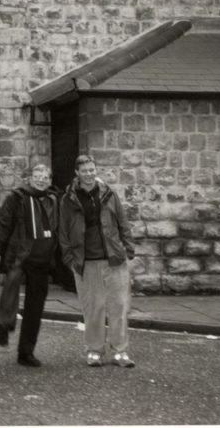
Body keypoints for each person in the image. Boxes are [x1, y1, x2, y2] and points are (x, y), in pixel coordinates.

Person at [58, 155, 136, 368]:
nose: (89, 174)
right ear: (77, 173)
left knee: (119, 307)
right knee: (93, 308)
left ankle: (120, 351)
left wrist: (128, 247)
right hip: (86, 262)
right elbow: (63, 231)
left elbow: (122, 221)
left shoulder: (109, 194)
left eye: (92, 170)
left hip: (114, 260)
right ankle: (94, 350)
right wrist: (69, 258)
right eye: (85, 171)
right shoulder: (68, 199)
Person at [0, 163, 59, 367]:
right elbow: (2, 225)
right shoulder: (17, 198)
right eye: (37, 175)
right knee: (11, 285)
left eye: (45, 176)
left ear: (50, 180)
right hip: (20, 256)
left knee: (35, 308)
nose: (41, 179)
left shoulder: (55, 200)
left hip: (43, 260)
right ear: (29, 178)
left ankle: (26, 352)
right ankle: (3, 324)